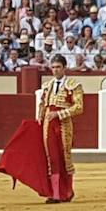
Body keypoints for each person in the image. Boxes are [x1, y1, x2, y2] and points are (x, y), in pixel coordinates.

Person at [37, 54, 84, 203]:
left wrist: (58, 114)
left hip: (64, 125)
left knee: (66, 158)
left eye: (58, 67)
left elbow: (79, 107)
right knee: (52, 158)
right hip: (48, 125)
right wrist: (40, 116)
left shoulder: (74, 85)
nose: (55, 70)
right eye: (53, 67)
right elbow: (43, 104)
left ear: (64, 68)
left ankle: (68, 192)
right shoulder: (47, 86)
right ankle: (55, 194)